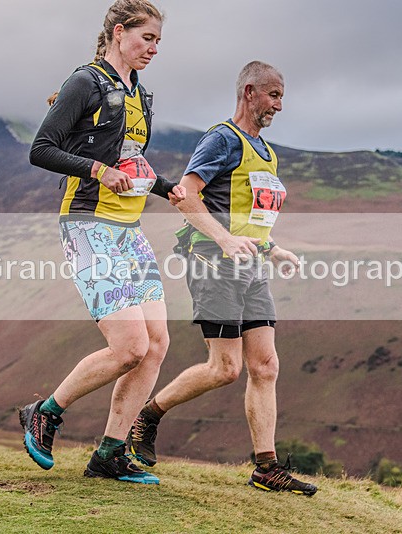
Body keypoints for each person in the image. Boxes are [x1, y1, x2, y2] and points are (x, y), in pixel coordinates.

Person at [127, 61, 318, 496]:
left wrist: (273, 249)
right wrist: (224, 239)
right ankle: (148, 416)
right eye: (273, 95)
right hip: (212, 261)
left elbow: (251, 217)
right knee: (225, 368)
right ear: (249, 92)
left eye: (282, 96)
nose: (279, 105)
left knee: (266, 365)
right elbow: (186, 195)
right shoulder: (222, 139)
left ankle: (266, 468)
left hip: (252, 267)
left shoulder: (266, 152)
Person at [20, 0, 185, 486]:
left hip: (129, 231)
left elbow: (128, 161)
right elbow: (41, 150)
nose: (154, 49)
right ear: (118, 32)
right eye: (146, 38)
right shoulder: (85, 82)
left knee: (156, 344)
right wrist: (97, 170)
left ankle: (110, 454)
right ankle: (45, 412)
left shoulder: (140, 94)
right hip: (88, 225)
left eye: (158, 41)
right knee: (129, 346)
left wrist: (165, 187)